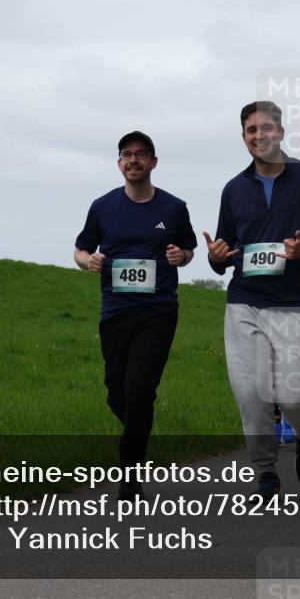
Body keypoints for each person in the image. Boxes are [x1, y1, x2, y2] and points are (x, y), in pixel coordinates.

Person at [205, 101, 300, 501]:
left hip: (296, 304)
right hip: (245, 303)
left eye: (266, 128)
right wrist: (216, 259)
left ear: (281, 133)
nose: (259, 136)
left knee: (294, 396)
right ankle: (265, 475)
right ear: (244, 137)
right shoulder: (233, 189)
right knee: (251, 395)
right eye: (251, 130)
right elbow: (226, 249)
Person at [74, 131, 197, 500]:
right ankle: (139, 428)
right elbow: (81, 250)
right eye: (126, 155)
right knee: (117, 393)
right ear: (119, 163)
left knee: (140, 389)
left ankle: (130, 478)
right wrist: (89, 261)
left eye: (141, 154)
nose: (133, 160)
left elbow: (188, 249)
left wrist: (182, 257)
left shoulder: (174, 208)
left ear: (153, 162)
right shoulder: (102, 206)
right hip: (115, 310)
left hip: (158, 310)